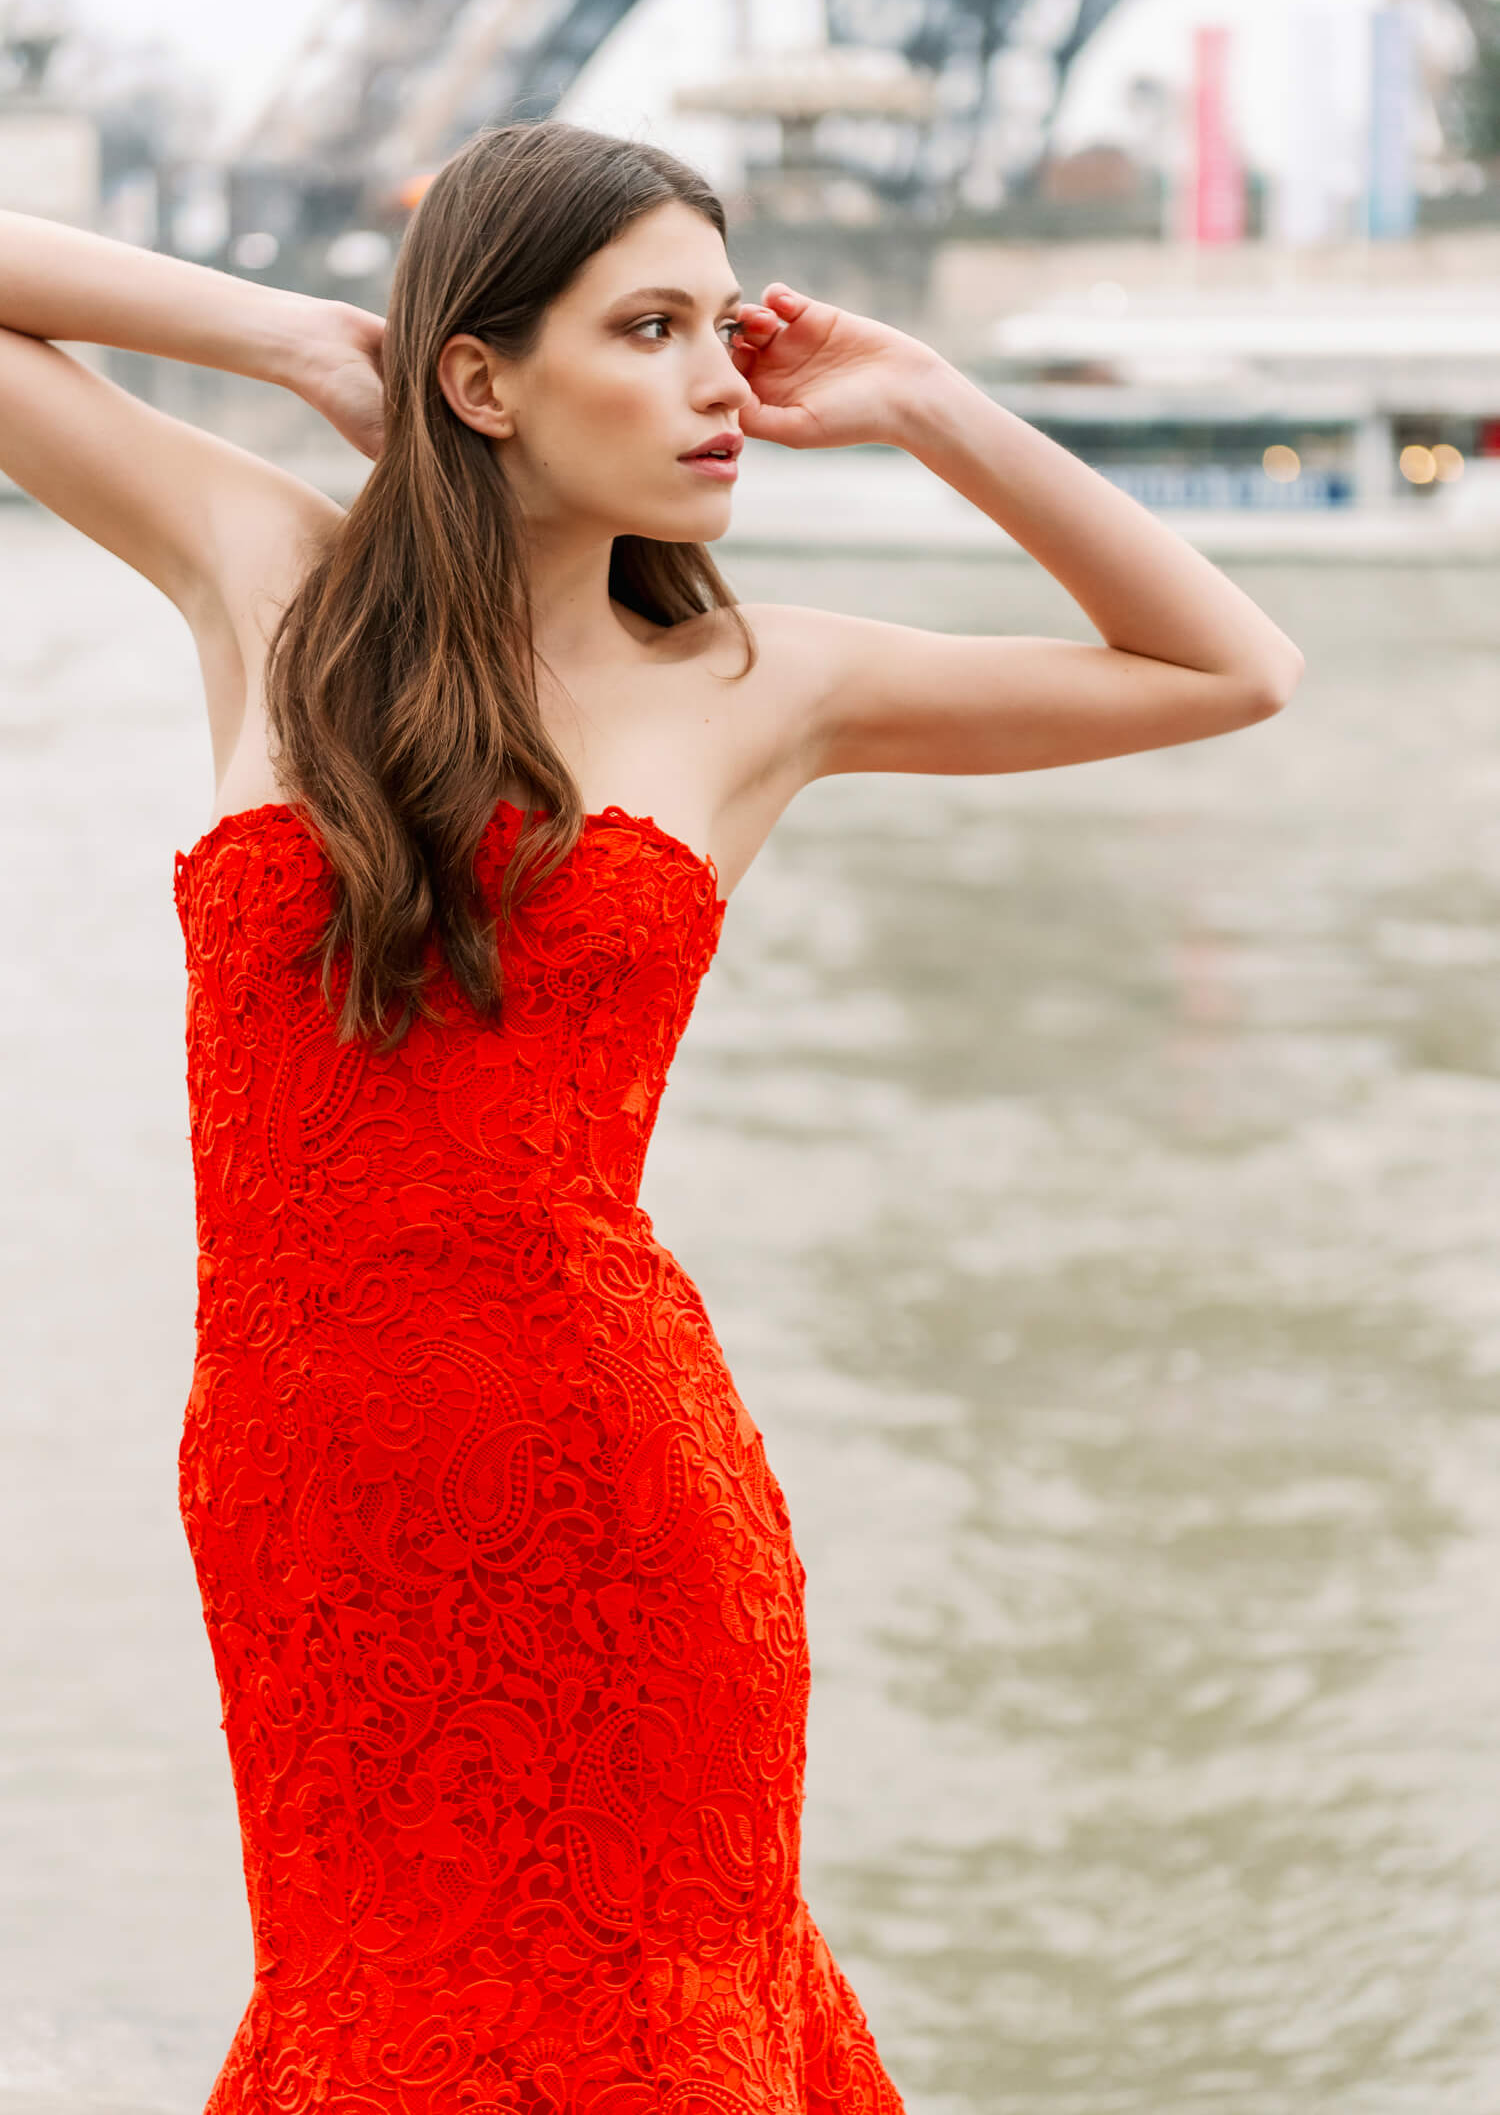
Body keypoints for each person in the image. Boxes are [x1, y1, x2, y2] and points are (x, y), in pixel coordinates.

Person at [0, 120, 1303, 2114]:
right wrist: (291, 336)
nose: (722, 381)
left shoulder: (754, 686)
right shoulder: (274, 579)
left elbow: (1234, 664)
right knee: (374, 1984)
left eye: (727, 322)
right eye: (654, 326)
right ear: (481, 377)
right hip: (307, 1497)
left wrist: (933, 403)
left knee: (641, 2011)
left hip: (616, 1494)